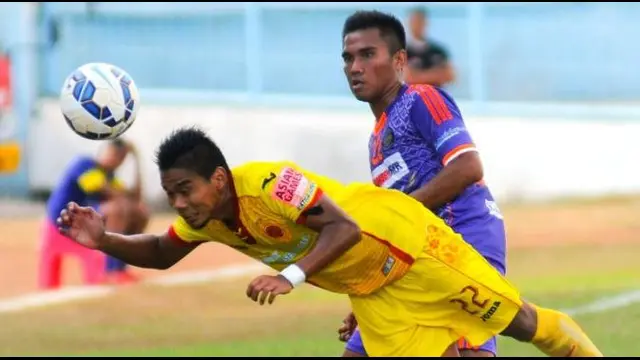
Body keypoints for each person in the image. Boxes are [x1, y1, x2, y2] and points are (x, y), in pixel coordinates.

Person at [56, 127, 602, 357]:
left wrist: (289, 276)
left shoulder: (272, 182)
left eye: (184, 190)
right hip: (374, 289)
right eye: (170, 194)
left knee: (524, 325)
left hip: (411, 245)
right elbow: (158, 252)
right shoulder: (206, 219)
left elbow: (343, 227)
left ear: (218, 181)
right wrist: (103, 238)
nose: (179, 204)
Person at [339, 10, 505, 358]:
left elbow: (467, 165)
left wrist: (404, 208)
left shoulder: (421, 98)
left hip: (463, 240)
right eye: (348, 57)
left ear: (399, 60)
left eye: (367, 55)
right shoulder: (376, 139)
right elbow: (396, 227)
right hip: (419, 256)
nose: (355, 67)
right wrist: (373, 291)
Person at [39, 138, 148, 288]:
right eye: (114, 154)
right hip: (63, 218)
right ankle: (110, 270)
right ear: (104, 150)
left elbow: (134, 198)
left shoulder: (109, 176)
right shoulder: (84, 165)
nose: (116, 160)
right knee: (117, 209)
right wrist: (125, 197)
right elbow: (109, 191)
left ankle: (120, 268)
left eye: (121, 157)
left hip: (84, 219)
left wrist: (136, 160)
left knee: (139, 212)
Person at [404, 7, 456, 87]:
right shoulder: (402, 51)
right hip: (414, 97)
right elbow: (408, 77)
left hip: (436, 97)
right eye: (415, 21)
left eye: (420, 21)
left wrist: (418, 75)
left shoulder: (438, 50)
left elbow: (450, 76)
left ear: (426, 23)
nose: (417, 25)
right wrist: (437, 74)